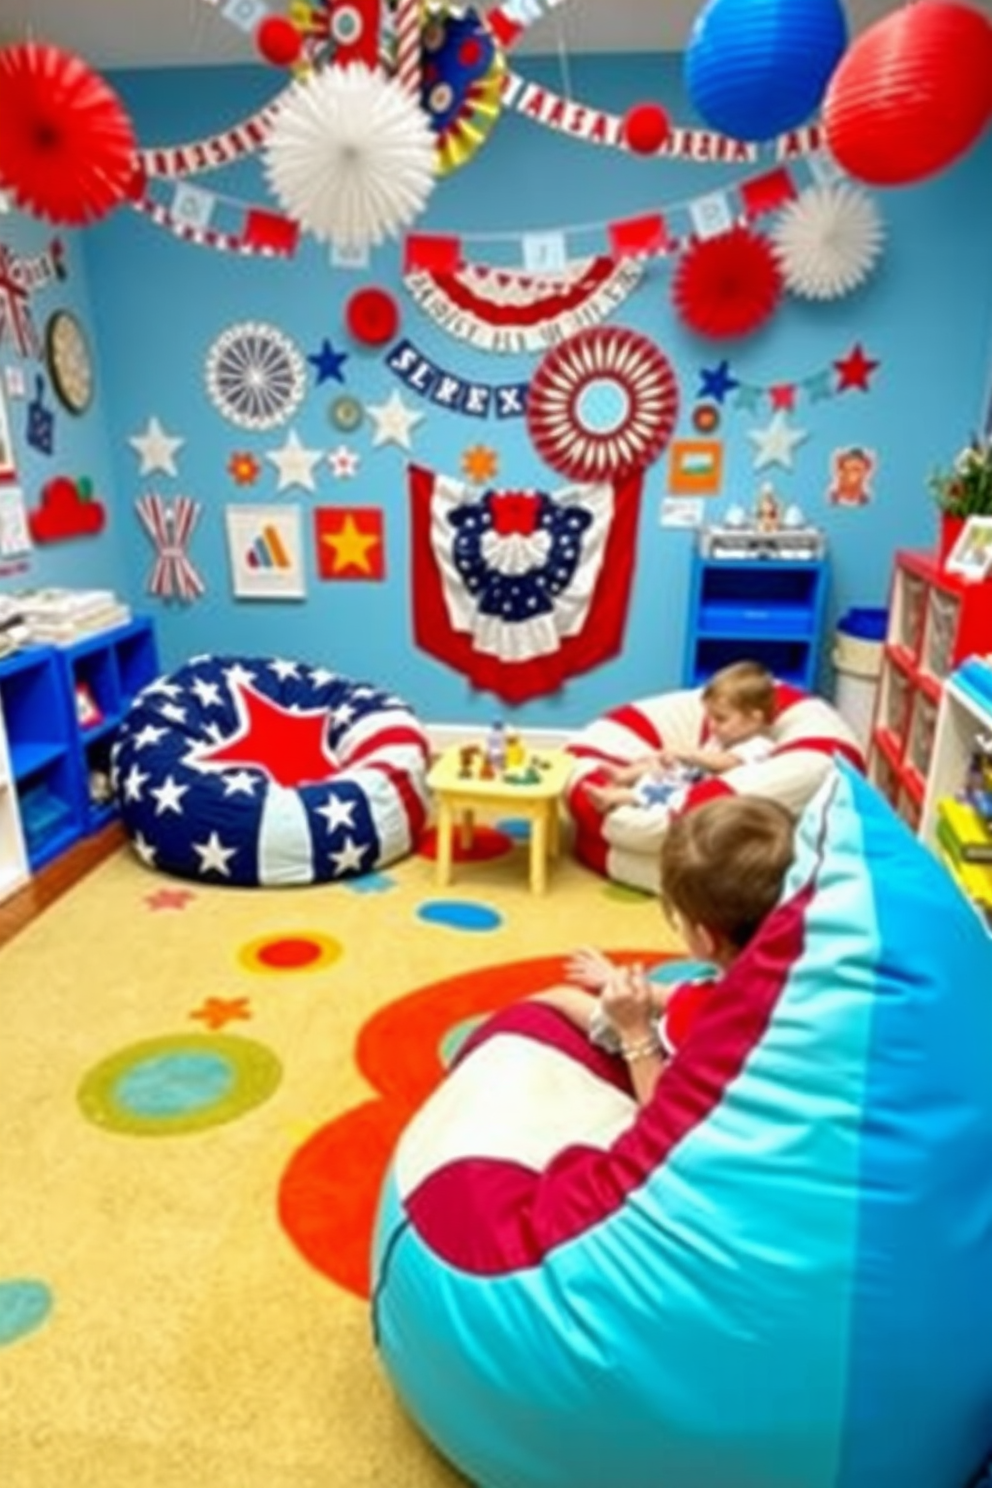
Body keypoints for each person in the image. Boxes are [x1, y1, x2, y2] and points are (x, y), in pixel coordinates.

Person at [534, 794, 795, 1105]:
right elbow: (691, 995)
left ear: (705, 938)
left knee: (554, 1000)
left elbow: (661, 1116)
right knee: (564, 998)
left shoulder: (716, 1028)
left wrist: (635, 1032)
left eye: (679, 919)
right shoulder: (787, 975)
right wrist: (620, 981)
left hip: (669, 1099)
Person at [586, 660, 777, 815]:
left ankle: (619, 797)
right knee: (657, 763)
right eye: (709, 717)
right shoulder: (723, 738)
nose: (711, 725)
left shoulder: (760, 746)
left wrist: (688, 755)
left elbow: (726, 763)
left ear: (754, 718)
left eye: (720, 718)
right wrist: (671, 760)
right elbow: (698, 767)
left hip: (707, 799)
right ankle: (625, 775)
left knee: (663, 795)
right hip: (692, 780)